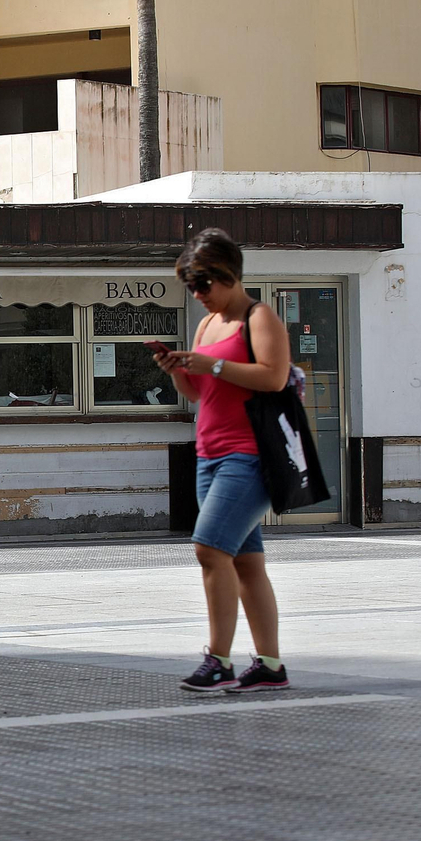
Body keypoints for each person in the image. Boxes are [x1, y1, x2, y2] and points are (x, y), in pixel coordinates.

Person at [155, 228, 292, 693]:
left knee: (209, 549)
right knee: (246, 564)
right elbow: (200, 394)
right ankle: (270, 665)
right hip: (210, 455)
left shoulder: (260, 317)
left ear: (230, 274)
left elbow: (273, 378)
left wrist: (210, 364)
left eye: (204, 284)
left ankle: (219, 660)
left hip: (250, 455)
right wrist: (179, 373)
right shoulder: (206, 325)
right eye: (191, 285)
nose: (198, 294)